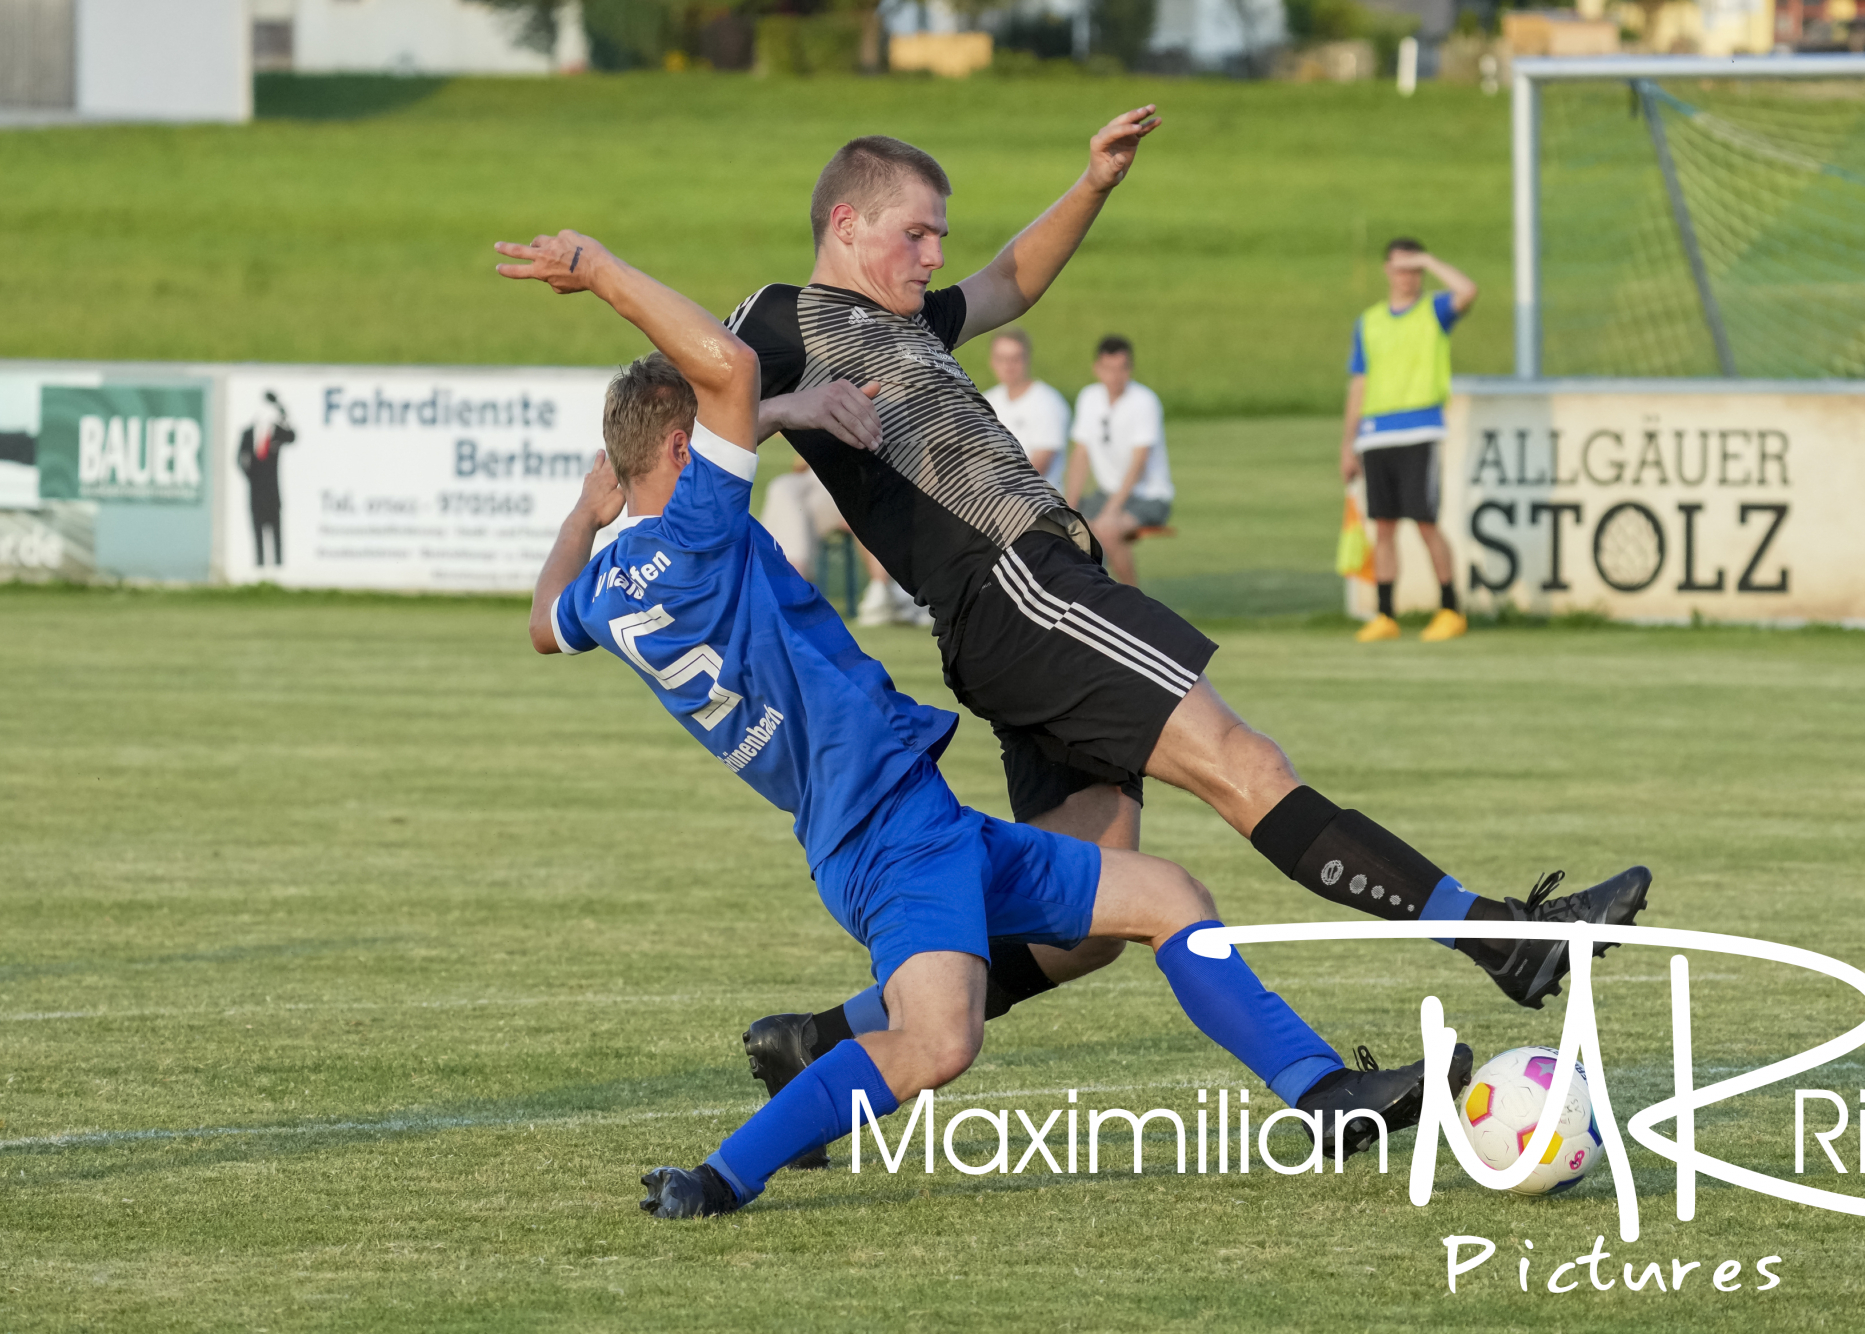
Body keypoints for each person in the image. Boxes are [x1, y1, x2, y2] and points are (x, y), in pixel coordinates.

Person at [525, 113, 1650, 1108]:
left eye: (940, 235)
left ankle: (827, 1040)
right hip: (1021, 585)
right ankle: (1503, 938)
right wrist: (782, 401)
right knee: (1243, 763)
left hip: (1006, 617)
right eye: (915, 231)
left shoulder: (908, 321)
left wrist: (1092, 183)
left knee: (1084, 927)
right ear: (846, 222)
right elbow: (685, 409)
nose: (935, 253)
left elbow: (1013, 283)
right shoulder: (780, 315)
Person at [497, 230, 1469, 1219]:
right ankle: (717, 1176)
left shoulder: (613, 591)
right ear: (681, 450)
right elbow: (733, 366)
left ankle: (1315, 1089)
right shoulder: (702, 530)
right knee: (937, 1043)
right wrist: (601, 269)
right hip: (886, 838)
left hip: (912, 821)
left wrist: (585, 511)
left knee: (1168, 894)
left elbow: (542, 622)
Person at [1340, 239, 1476, 644]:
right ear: (1387, 270)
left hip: (1420, 429)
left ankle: (1450, 609)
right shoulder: (1370, 322)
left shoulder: (1433, 311)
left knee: (1425, 522)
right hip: (1376, 433)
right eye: (1402, 268)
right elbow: (1359, 384)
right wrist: (1347, 442)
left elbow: (1467, 291)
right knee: (1383, 527)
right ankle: (1385, 614)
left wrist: (1431, 260)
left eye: (1415, 269)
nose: (1408, 277)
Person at [758, 455, 926, 627]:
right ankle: (792, 589)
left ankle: (790, 591)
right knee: (782, 488)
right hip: (816, 478)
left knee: (861, 491)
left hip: (859, 477)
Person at [1064, 334, 1173, 588]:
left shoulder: (1144, 402)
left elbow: (1139, 462)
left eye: (1122, 369)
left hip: (1149, 496)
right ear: (1097, 369)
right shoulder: (1089, 398)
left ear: (1130, 369)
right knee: (1068, 531)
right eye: (1109, 369)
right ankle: (1091, 599)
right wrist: (1070, 503)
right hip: (1106, 493)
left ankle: (1134, 602)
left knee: (1108, 530)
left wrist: (1112, 510)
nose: (1115, 376)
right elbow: (1081, 454)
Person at [982, 326, 1069, 487]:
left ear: (1027, 359)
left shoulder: (1048, 403)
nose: (1008, 366)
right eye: (1001, 359)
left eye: (1015, 359)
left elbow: (1039, 466)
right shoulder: (986, 401)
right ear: (992, 362)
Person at [237, 391, 295, 567]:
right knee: (258, 534)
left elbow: (292, 437)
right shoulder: (248, 433)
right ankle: (259, 567)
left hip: (272, 491)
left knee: (276, 534)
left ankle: (279, 568)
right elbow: (239, 458)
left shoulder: (277, 432)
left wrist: (283, 416)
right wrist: (251, 476)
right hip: (255, 491)